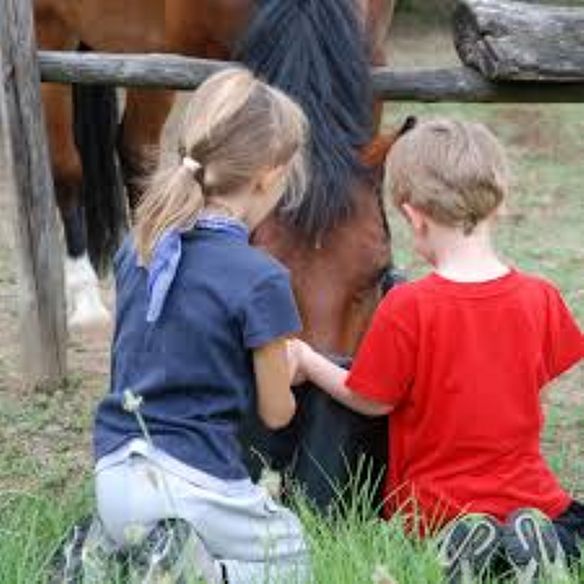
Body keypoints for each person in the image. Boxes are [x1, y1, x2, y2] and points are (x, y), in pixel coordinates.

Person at [288, 118, 584, 583]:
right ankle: (539, 545)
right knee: (571, 527)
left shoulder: (408, 305)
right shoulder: (540, 296)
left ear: (414, 217)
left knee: (438, 537)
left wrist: (309, 361)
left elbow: (371, 398)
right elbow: (535, 389)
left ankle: (466, 547)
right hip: (531, 495)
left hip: (433, 508)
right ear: (500, 203)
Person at [82, 68, 310, 584]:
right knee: (291, 553)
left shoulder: (135, 249)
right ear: (270, 175)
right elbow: (276, 414)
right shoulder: (262, 279)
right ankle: (198, 571)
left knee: (152, 533)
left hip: (113, 474)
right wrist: (284, 366)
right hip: (195, 483)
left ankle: (108, 556)